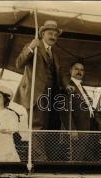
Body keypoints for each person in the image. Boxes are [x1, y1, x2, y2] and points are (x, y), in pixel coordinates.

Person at [14, 20, 68, 161]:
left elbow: (61, 74)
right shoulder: (34, 47)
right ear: (42, 34)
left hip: (52, 96)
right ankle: (39, 159)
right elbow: (19, 63)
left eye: (55, 34)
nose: (53, 37)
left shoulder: (55, 55)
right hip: (36, 93)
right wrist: (31, 47)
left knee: (50, 126)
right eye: (50, 33)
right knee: (37, 126)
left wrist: (67, 85)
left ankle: (48, 156)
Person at [60, 62, 96, 161]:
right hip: (77, 128)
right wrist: (71, 129)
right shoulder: (67, 87)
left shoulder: (82, 88)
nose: (79, 72)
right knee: (75, 157)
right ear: (70, 71)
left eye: (82, 70)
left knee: (83, 156)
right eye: (76, 69)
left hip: (87, 127)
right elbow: (65, 109)